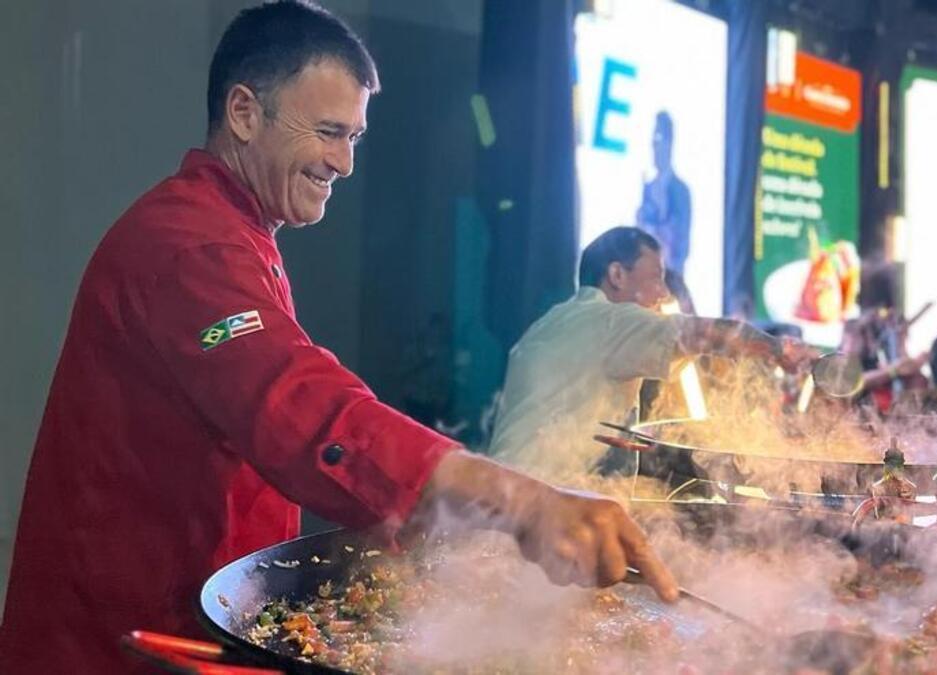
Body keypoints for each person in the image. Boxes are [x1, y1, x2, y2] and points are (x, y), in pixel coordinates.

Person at [0, 4, 676, 672]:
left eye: (353, 137)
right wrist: (523, 502)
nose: (345, 163)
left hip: (185, 609)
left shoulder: (234, 233)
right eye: (328, 132)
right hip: (114, 642)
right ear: (243, 113)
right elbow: (303, 408)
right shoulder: (191, 247)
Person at [489, 227, 812, 480]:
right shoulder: (612, 321)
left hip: (498, 498)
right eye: (656, 278)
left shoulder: (553, 322)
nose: (664, 294)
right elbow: (706, 333)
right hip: (534, 513)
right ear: (616, 275)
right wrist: (777, 349)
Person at [636, 111, 692, 274]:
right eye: (652, 140)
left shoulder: (681, 191)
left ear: (670, 143)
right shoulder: (647, 188)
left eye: (658, 139)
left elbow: (682, 247)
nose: (654, 146)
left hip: (670, 283)